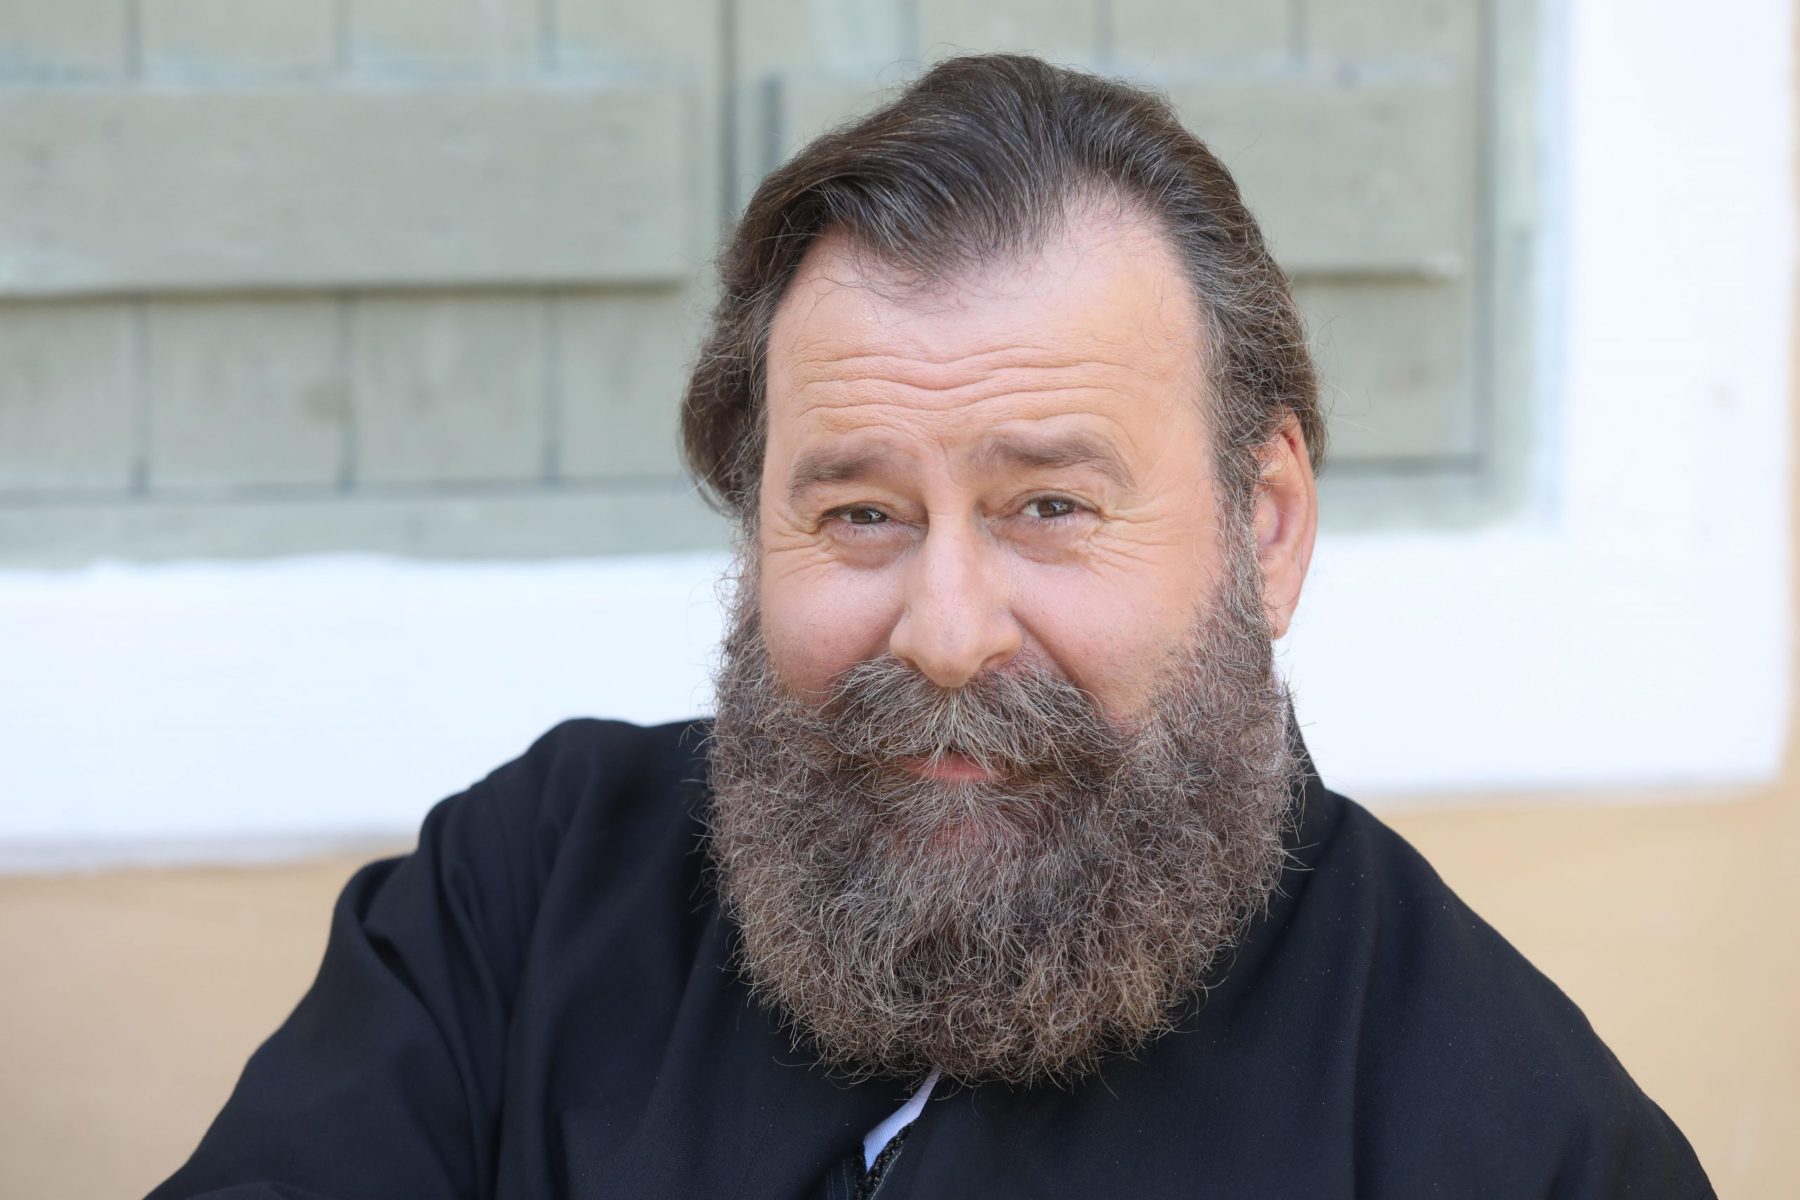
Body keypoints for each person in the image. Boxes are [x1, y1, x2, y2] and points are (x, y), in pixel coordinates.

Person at [149, 54, 1712, 1199]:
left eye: (1050, 505)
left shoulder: (1516, 1144)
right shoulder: (530, 901)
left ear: (1268, 525)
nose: (948, 635)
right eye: (860, 515)